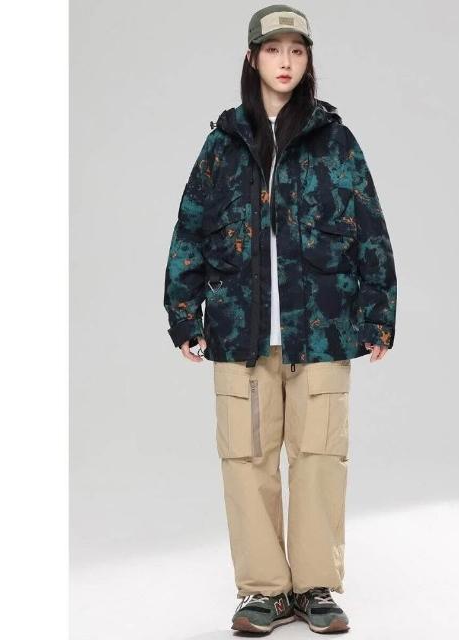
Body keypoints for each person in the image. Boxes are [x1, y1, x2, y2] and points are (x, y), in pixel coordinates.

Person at [163, 4, 397, 634]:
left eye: (297, 50)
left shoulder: (335, 141)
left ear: (308, 59)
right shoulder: (223, 144)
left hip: (320, 330)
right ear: (252, 58)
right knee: (246, 461)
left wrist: (378, 314)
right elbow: (190, 229)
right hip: (239, 331)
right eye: (273, 50)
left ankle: (315, 586)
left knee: (319, 457)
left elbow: (370, 229)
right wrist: (183, 311)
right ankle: (263, 591)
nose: (285, 61)